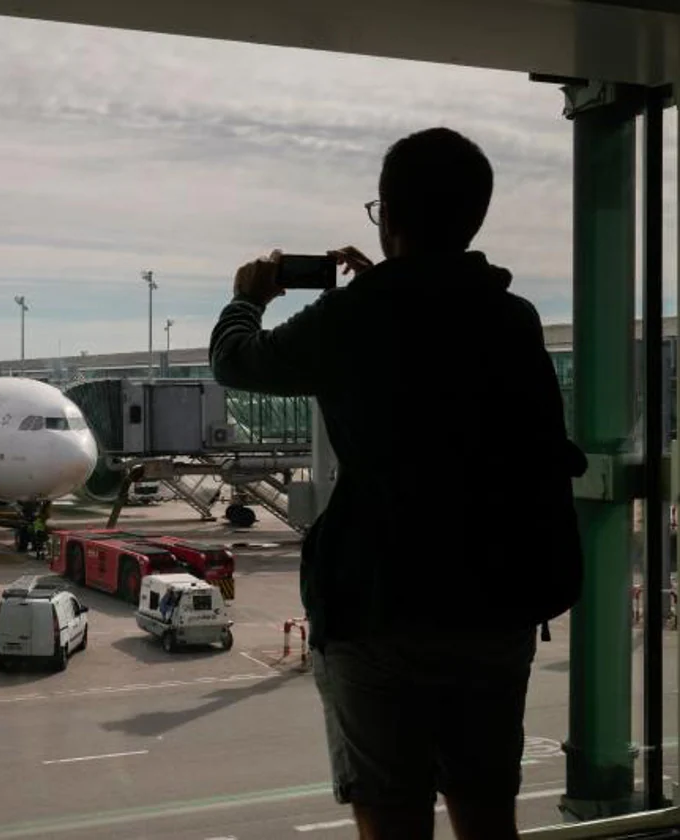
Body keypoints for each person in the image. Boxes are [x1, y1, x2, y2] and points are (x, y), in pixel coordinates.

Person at [208, 127, 585, 840]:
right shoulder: (512, 318)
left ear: (389, 217)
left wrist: (246, 297)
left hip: (381, 604)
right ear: (474, 215)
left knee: (393, 820)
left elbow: (238, 362)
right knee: (485, 814)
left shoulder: (359, 315)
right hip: (494, 600)